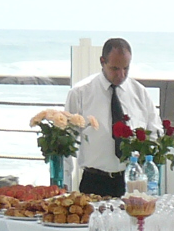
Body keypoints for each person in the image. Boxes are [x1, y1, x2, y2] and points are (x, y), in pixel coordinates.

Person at [66, 37, 159, 197]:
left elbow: (155, 132)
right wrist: (65, 182)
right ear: (102, 62)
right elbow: (68, 140)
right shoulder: (80, 93)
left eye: (126, 68)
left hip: (132, 179)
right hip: (94, 180)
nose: (121, 75)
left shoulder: (140, 93)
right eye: (115, 68)